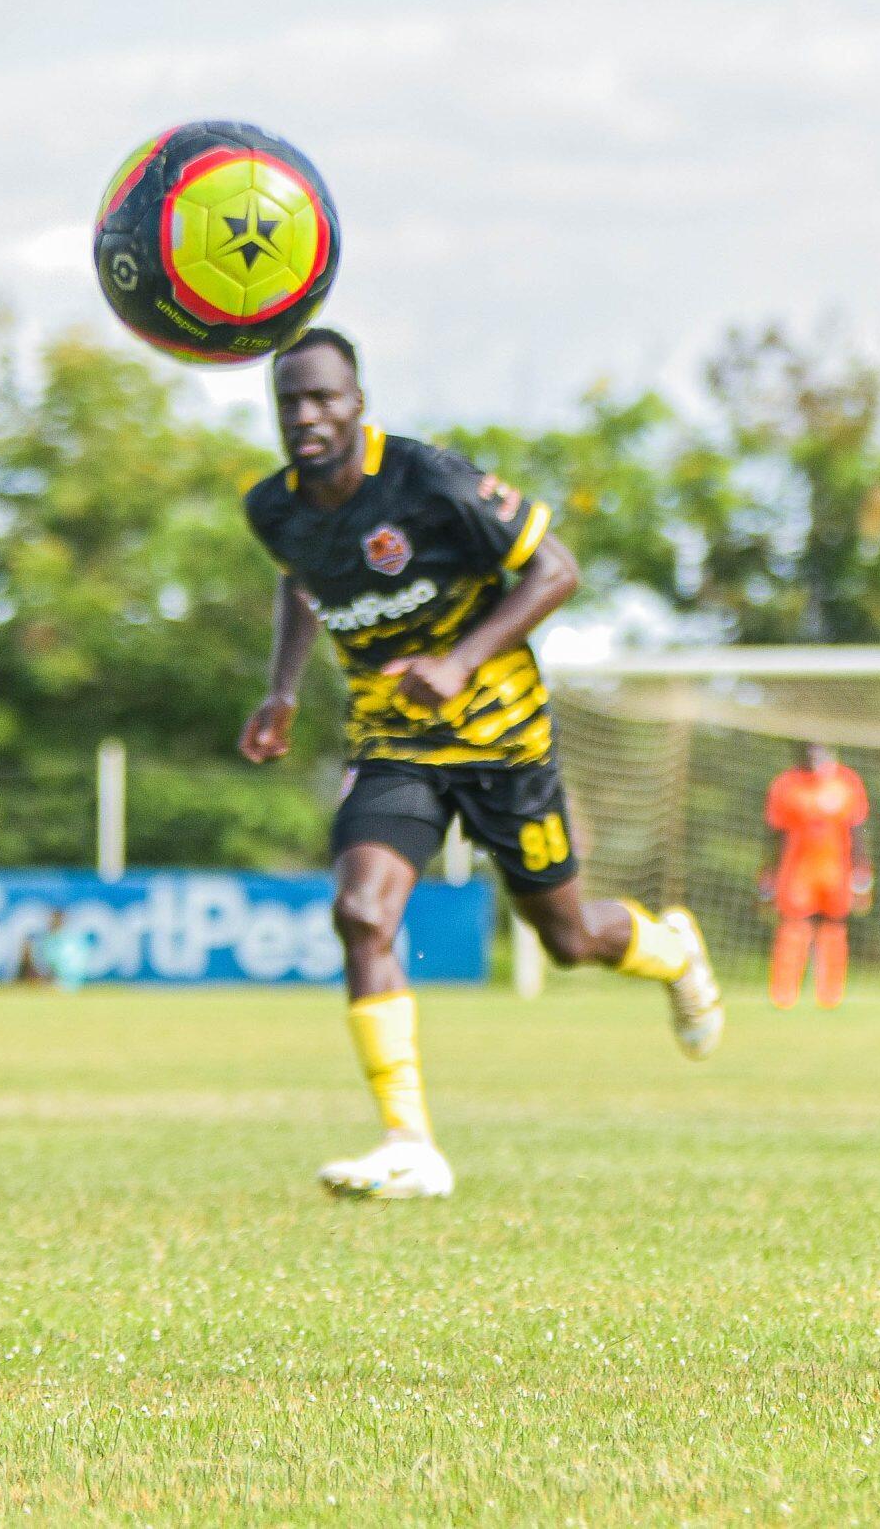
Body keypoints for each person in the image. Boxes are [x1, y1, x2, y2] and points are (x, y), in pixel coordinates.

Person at [239, 328, 724, 1200]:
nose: (306, 416)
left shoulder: (429, 480)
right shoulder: (274, 507)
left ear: (357, 401)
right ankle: (408, 1142)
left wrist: (460, 660)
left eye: (323, 398)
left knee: (569, 939)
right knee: (361, 912)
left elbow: (556, 569)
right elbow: (299, 579)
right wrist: (280, 691)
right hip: (395, 744)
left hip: (504, 740)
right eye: (289, 402)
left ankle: (672, 950)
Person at [761, 743, 872, 1009]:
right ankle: (784, 995)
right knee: (794, 926)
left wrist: (862, 876)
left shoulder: (847, 782)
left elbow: (858, 832)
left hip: (836, 870)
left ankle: (830, 996)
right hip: (797, 870)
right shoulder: (786, 784)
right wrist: (768, 874)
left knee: (833, 928)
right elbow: (774, 835)